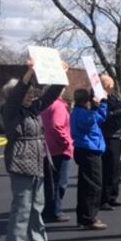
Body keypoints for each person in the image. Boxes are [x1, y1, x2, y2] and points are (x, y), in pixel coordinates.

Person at [1, 60, 65, 241]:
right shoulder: (10, 110)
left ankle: (37, 240)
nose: (31, 96)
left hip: (37, 160)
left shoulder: (32, 109)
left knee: (37, 204)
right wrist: (29, 74)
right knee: (22, 206)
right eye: (27, 93)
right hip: (20, 161)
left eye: (31, 93)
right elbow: (18, 93)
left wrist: (60, 76)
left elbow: (50, 96)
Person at [71, 88, 110, 231]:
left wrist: (103, 104)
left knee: (86, 184)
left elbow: (101, 119)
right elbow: (89, 122)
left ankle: (83, 217)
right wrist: (94, 107)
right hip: (88, 150)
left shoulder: (83, 112)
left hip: (89, 149)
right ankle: (89, 218)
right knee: (93, 185)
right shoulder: (81, 113)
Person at [99, 75, 121, 211]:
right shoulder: (100, 98)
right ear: (107, 85)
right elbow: (106, 116)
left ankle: (113, 196)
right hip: (109, 135)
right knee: (109, 167)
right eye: (111, 85)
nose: (113, 87)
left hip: (118, 134)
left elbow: (119, 105)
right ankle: (104, 199)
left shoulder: (112, 97)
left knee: (116, 168)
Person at [41, 88, 73, 223]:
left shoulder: (44, 105)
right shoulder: (58, 106)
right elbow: (56, 126)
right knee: (60, 182)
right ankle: (55, 211)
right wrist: (67, 142)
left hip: (47, 147)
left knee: (50, 182)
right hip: (59, 149)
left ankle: (48, 210)